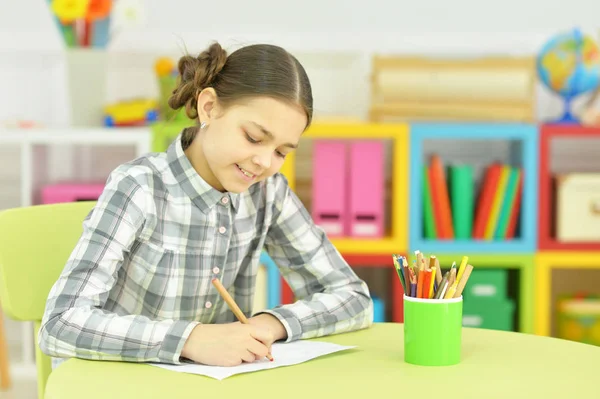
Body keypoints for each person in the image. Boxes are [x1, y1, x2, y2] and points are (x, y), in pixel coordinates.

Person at [39, 42, 373, 368]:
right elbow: (61, 323)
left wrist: (271, 324)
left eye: (281, 152)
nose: (263, 162)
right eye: (254, 138)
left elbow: (353, 298)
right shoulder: (139, 187)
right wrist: (191, 339)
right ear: (209, 107)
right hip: (118, 382)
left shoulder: (268, 192)